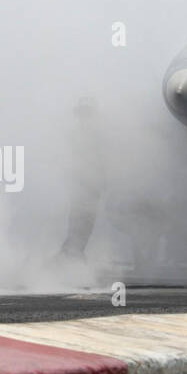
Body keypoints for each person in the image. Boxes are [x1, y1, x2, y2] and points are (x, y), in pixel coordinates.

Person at [57, 97, 106, 261]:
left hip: (92, 188)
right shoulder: (76, 136)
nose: (85, 118)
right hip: (81, 187)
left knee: (86, 225)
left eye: (88, 113)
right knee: (78, 224)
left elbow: (104, 162)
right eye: (83, 114)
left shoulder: (99, 136)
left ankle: (71, 257)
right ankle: (70, 257)